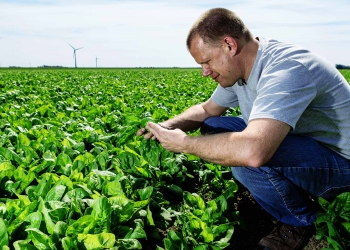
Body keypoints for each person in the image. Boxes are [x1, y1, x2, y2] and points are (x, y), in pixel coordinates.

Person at [136, 7, 350, 250]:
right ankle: (281, 186)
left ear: (229, 45)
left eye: (206, 61)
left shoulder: (286, 69)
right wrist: (167, 126)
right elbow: (207, 110)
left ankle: (298, 220)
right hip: (303, 143)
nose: (205, 72)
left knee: (246, 158)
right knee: (214, 126)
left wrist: (184, 144)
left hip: (341, 162)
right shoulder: (239, 69)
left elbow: (252, 152)